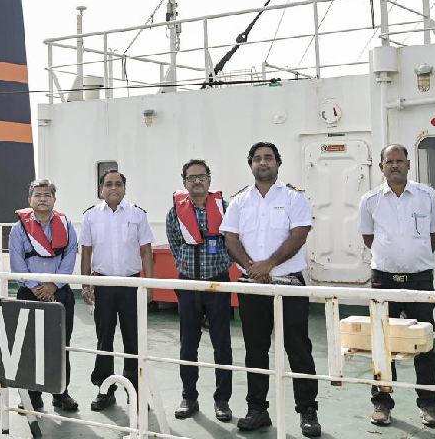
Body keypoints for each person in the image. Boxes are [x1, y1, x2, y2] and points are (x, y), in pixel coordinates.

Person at [220, 142, 321, 437]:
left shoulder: (294, 198)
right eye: (257, 159)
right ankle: (257, 409)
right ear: (250, 164)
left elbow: (299, 234)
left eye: (268, 158)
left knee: (298, 348)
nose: (263, 162)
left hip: (289, 284)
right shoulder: (239, 201)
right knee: (255, 349)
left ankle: (307, 411)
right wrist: (254, 267)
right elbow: (230, 238)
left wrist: (269, 264)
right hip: (254, 286)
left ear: (278, 163)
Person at [359, 143, 435, 427]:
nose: (394, 165)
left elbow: (434, 235)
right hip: (383, 280)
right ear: (381, 166)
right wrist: (393, 260)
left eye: (399, 160)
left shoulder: (427, 196)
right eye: (388, 161)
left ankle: (430, 405)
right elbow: (368, 239)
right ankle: (382, 403)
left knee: (424, 344)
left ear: (408, 164)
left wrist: (412, 260)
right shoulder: (370, 200)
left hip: (420, 279)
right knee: (382, 344)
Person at [165, 159, 234, 422]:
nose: (197, 181)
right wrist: (183, 264)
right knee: (188, 344)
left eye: (201, 176)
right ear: (184, 182)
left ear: (209, 179)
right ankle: (189, 396)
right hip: (188, 284)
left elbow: (231, 241)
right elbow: (174, 242)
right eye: (191, 177)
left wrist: (222, 266)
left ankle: (222, 400)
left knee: (222, 344)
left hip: (217, 282)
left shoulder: (223, 209)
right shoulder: (175, 212)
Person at [80, 169, 154, 411]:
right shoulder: (91, 216)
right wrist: (86, 283)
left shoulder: (137, 214)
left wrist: (150, 284)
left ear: (124, 187)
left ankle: (135, 391)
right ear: (101, 188)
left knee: (133, 339)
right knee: (104, 339)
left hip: (131, 284)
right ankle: (105, 390)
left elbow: (146, 250)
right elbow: (87, 252)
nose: (114, 188)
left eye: (118, 184)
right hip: (103, 285)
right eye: (108, 184)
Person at [8, 179, 80, 412]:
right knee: (30, 345)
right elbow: (17, 264)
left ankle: (61, 393)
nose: (42, 198)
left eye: (47, 195)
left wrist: (53, 285)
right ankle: (32, 395)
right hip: (29, 293)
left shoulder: (67, 226)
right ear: (29, 199)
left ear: (54, 199)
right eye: (37, 195)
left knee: (61, 345)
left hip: (60, 293)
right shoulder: (18, 229)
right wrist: (37, 286)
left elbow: (69, 260)